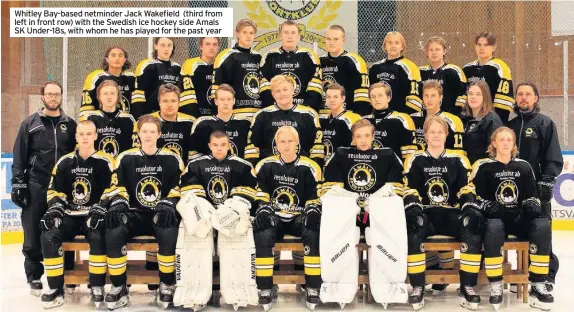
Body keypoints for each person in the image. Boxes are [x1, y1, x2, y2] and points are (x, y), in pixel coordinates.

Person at [102, 115, 184, 310]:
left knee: (168, 232)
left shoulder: (172, 158)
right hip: (133, 213)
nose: (148, 135)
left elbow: (180, 185)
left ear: (159, 134)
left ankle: (167, 284)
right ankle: (119, 286)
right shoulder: (125, 157)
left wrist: (169, 202)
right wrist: (119, 202)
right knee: (113, 230)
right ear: (138, 134)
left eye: (152, 131)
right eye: (144, 131)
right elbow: (117, 185)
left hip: (160, 213)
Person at [402, 116, 483, 311]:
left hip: (450, 213)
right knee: (414, 229)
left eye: (440, 132)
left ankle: (467, 285)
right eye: (432, 132)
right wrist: (413, 209)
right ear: (425, 136)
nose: (436, 135)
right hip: (426, 213)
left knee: (470, 229)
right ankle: (418, 286)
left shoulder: (458, 159)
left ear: (446, 134)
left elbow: (467, 188)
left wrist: (470, 208)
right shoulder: (414, 159)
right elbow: (408, 188)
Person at [470, 127, 553, 311]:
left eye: (509, 140)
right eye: (502, 140)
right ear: (494, 143)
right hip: (497, 219)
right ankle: (495, 284)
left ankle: (538, 283)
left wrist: (532, 203)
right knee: (492, 227)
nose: (506, 143)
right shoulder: (484, 167)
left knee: (542, 224)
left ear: (514, 144)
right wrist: (486, 206)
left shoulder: (523, 166)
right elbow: (477, 197)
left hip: (518, 218)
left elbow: (532, 195)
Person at [39, 120, 114, 308]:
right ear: (76, 137)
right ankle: (56, 287)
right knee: (49, 235)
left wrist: (102, 206)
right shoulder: (65, 162)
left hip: (93, 216)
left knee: (98, 236)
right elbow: (54, 189)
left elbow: (114, 188)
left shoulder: (107, 161)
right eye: (81, 134)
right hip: (69, 215)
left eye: (89, 134)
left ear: (96, 136)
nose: (85, 138)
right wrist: (56, 206)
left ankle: (97, 286)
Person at [11, 81, 77, 296]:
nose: (53, 98)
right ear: (42, 96)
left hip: (62, 188)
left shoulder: (71, 124)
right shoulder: (30, 124)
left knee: (62, 229)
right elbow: (19, 156)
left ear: (61, 96)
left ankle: (66, 273)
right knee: (32, 233)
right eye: (49, 94)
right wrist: (19, 184)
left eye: (56, 94)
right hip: (36, 185)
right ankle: (34, 276)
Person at [252, 126, 322, 311]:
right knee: (263, 232)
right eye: (282, 141)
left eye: (290, 141)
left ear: (297, 143)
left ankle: (313, 287)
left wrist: (313, 209)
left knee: (313, 230)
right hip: (276, 216)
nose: (287, 145)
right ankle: (265, 288)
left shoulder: (310, 166)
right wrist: (264, 208)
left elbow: (314, 196)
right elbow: (260, 193)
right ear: (276, 144)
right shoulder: (265, 165)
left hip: (298, 216)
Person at [507, 82, 563, 291]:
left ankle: (546, 275)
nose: (523, 98)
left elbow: (553, 156)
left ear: (536, 98)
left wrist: (547, 181)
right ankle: (524, 272)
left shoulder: (545, 123)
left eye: (527, 94)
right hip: (514, 190)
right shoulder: (510, 126)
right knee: (521, 231)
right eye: (520, 94)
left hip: (538, 189)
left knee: (541, 231)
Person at [245, 75, 324, 167]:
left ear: (293, 90)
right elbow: (252, 149)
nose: (282, 94)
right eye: (277, 91)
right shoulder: (262, 116)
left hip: (301, 172)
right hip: (270, 171)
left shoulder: (309, 114)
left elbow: (317, 150)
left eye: (285, 89)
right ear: (273, 94)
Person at [260, 20, 323, 113]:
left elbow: (315, 89)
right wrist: (275, 110)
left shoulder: (310, 56)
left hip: (302, 112)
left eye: (293, 33)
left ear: (298, 37)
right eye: (286, 33)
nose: (289, 36)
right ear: (280, 35)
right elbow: (265, 89)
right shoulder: (269, 56)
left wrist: (304, 112)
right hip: (276, 112)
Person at [212, 19, 263, 120]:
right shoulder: (226, 56)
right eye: (245, 32)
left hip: (257, 112)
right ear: (237, 34)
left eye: (251, 33)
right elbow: (217, 89)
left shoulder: (259, 57)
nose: (248, 36)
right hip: (235, 113)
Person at [320, 24, 370, 117]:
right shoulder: (320, 61)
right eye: (328, 39)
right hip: (324, 116)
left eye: (336, 39)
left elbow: (362, 94)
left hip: (347, 115)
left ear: (343, 40)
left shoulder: (355, 61)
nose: (331, 42)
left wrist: (360, 118)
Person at [190, 84, 252, 160]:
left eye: (229, 99)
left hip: (237, 170)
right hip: (211, 170)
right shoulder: (203, 124)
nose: (225, 103)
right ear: (216, 101)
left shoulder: (245, 123)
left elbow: (251, 154)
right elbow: (194, 155)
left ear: (234, 101)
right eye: (222, 99)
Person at [463, 32, 514, 123]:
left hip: (490, 120)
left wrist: (497, 122)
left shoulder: (500, 67)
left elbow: (504, 102)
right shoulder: (467, 68)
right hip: (470, 119)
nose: (482, 48)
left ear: (493, 47)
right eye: (479, 45)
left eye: (486, 45)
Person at [79, 80, 138, 158]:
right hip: (97, 165)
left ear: (118, 96)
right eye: (105, 94)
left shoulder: (129, 119)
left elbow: (134, 148)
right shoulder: (90, 118)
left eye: (112, 93)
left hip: (120, 166)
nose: (109, 97)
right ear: (99, 97)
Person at [368, 31, 422, 114]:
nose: (393, 46)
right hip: (377, 115)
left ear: (402, 46)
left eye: (397, 43)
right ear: (385, 46)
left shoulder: (411, 67)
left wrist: (400, 116)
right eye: (390, 43)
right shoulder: (375, 68)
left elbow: (415, 101)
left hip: (400, 116)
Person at [363, 82, 417, 160]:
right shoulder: (363, 121)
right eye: (373, 96)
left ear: (389, 97)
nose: (376, 99)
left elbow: (410, 156)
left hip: (394, 170)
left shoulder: (403, 119)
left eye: (380, 95)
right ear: (370, 100)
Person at [131, 37, 181, 119]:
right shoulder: (147, 66)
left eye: (169, 45)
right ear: (155, 46)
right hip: (151, 115)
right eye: (162, 45)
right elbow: (138, 95)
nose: (166, 49)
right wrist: (139, 116)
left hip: (171, 115)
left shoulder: (178, 68)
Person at [411, 81, 464, 154]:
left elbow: (458, 155)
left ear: (440, 97)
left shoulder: (454, 121)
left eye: (433, 96)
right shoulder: (411, 119)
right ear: (422, 97)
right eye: (426, 95)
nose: (429, 99)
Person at [419, 36, 467, 116]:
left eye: (437, 49)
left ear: (444, 51)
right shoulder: (420, 72)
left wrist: (452, 116)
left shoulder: (454, 71)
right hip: (426, 117)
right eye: (431, 50)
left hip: (448, 117)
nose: (434, 53)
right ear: (427, 52)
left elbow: (462, 97)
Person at [80, 46, 135, 114]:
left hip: (125, 121)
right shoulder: (96, 77)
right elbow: (86, 107)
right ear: (107, 59)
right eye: (113, 55)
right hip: (101, 122)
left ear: (125, 60)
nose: (117, 58)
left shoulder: (131, 78)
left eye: (120, 55)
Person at [149, 84, 195, 164]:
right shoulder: (147, 122)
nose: (169, 105)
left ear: (179, 102)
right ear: (159, 102)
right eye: (165, 101)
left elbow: (194, 155)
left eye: (173, 101)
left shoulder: (191, 122)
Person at [462, 80, 503, 164]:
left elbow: (495, 152)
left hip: (483, 170)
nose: (473, 97)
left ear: (485, 97)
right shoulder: (463, 118)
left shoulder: (492, 119)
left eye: (478, 94)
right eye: (470, 93)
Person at [320, 83, 361, 164]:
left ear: (343, 98)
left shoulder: (354, 118)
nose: (331, 100)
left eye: (335, 97)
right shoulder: (323, 121)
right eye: (328, 97)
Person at [180, 37, 221, 118]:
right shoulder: (190, 64)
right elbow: (188, 97)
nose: (211, 47)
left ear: (218, 47)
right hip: (196, 116)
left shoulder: (221, 65)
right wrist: (193, 118)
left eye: (215, 44)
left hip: (216, 116)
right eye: (208, 44)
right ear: (201, 46)